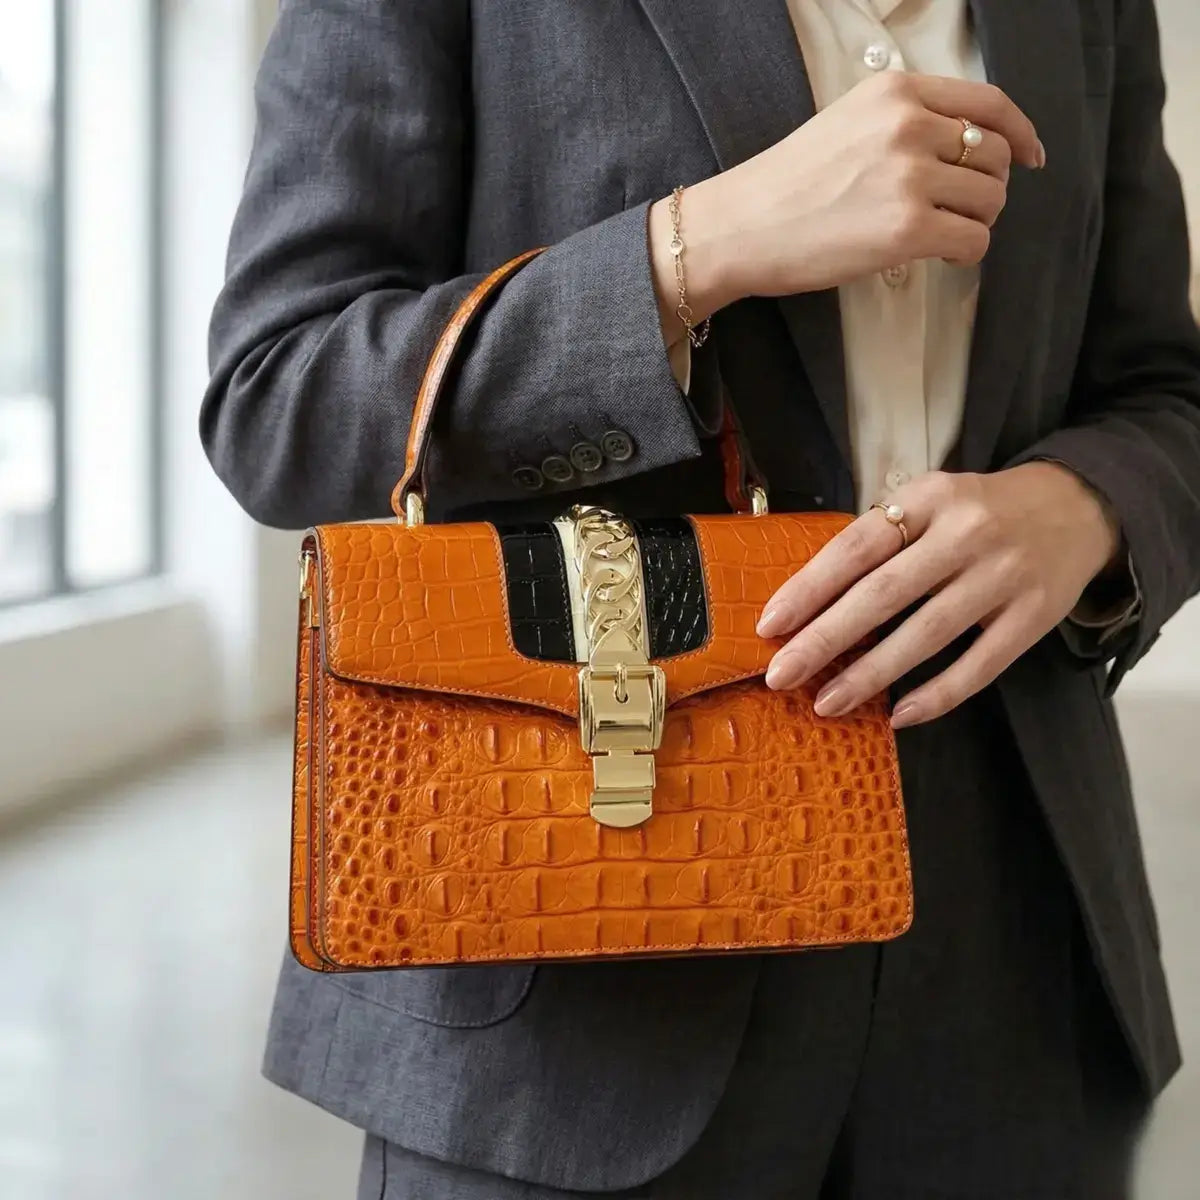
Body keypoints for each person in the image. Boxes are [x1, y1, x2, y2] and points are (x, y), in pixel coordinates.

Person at [202, 2, 1200, 1196]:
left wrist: (1085, 507)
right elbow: (280, 398)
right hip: (580, 975)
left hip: (1020, 968)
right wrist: (692, 250)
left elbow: (1164, 390)